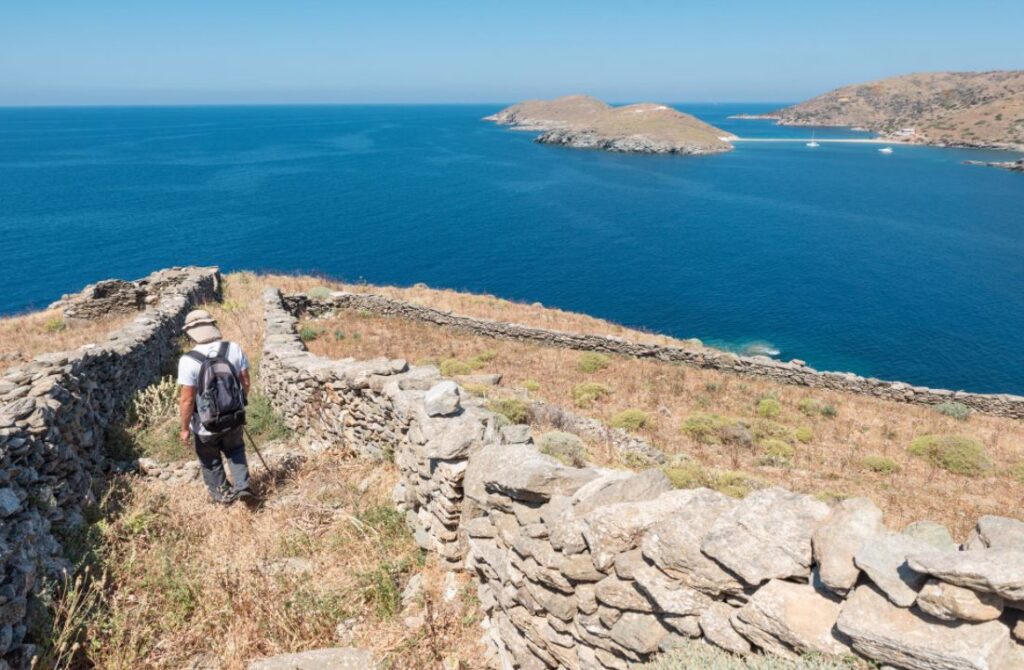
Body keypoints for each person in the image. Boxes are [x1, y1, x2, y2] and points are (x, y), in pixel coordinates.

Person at [177, 309, 253, 504]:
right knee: (236, 450)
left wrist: (185, 428)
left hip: (205, 424)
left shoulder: (188, 360)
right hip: (234, 415)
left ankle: (223, 496)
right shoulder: (232, 348)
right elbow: (245, 380)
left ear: (190, 333)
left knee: (210, 460)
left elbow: (187, 399)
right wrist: (240, 401)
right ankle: (242, 487)